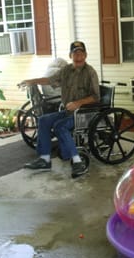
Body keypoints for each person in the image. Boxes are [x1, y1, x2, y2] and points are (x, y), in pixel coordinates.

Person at [19, 41, 99, 178]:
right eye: (75, 53)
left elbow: (96, 96)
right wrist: (30, 81)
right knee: (43, 120)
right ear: (70, 55)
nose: (78, 55)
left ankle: (77, 161)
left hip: (85, 113)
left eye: (81, 53)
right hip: (69, 111)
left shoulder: (90, 72)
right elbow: (49, 80)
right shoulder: (66, 70)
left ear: (85, 55)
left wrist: (78, 103)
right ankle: (44, 159)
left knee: (60, 126)